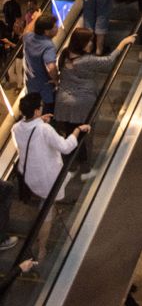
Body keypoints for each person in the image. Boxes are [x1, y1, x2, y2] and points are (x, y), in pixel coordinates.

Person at [12, 92, 90, 260]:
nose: (42, 107)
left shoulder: (16, 127)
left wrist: (40, 121)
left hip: (30, 175)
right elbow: (66, 147)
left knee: (52, 196)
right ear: (36, 111)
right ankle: (41, 248)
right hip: (48, 179)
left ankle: (51, 206)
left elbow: (29, 139)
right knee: (46, 211)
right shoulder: (44, 129)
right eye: (40, 106)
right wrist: (77, 130)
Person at [54, 29, 134, 176]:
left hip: (64, 103)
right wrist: (122, 43)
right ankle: (85, 167)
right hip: (82, 104)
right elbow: (109, 62)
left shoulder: (65, 54)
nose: (92, 43)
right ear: (81, 43)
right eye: (89, 40)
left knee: (70, 134)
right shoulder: (86, 61)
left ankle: (70, 165)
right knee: (86, 137)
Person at [23, 11, 61, 113]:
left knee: (32, 110)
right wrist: (56, 79)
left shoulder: (28, 37)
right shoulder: (48, 46)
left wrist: (36, 18)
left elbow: (26, 30)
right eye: (54, 27)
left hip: (30, 84)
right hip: (44, 89)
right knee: (46, 113)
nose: (57, 28)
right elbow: (51, 67)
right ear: (46, 32)